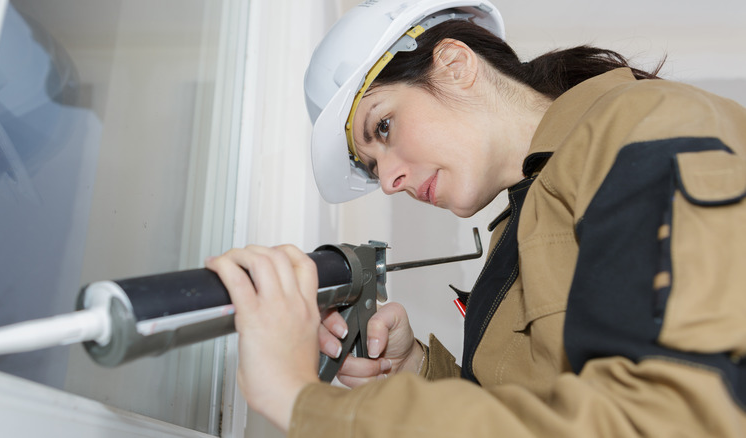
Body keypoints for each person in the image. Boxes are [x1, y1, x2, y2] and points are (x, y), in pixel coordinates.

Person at [205, 0, 746, 435]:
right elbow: (543, 405)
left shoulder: (643, 126)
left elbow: (671, 418)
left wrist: (298, 398)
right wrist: (417, 368)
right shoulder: (518, 227)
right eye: (373, 166)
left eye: (385, 127)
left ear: (455, 65)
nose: (390, 180)